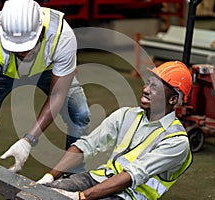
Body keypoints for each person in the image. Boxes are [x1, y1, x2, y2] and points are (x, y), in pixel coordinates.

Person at [0, 0, 90, 199]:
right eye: (16, 48)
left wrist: (28, 141)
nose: (23, 53)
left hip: (48, 70)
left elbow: (57, 95)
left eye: (27, 47)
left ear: (42, 33)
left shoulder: (62, 35)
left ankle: (72, 177)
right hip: (5, 73)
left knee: (80, 113)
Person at [37, 61, 193, 200]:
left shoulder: (176, 141)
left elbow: (134, 174)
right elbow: (87, 145)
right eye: (148, 83)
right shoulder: (126, 115)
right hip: (101, 178)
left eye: (155, 87)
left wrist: (81, 196)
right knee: (40, 193)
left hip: (131, 194)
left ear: (172, 100)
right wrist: (50, 176)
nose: (145, 89)